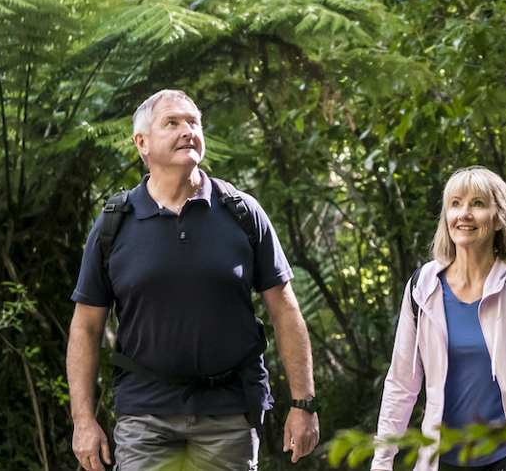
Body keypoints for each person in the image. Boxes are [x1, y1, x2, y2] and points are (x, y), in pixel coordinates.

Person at [66, 89, 320, 471]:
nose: (188, 131)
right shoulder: (114, 224)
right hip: (143, 416)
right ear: (143, 143)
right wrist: (83, 422)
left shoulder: (241, 212)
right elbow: (85, 328)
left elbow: (285, 310)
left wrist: (304, 404)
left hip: (229, 414)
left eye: (193, 122)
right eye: (172, 123)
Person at [372, 166, 506, 471]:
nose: (463, 214)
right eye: (455, 204)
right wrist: (382, 461)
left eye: (478, 204)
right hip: (442, 460)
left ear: (499, 218)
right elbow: (401, 384)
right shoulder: (422, 288)